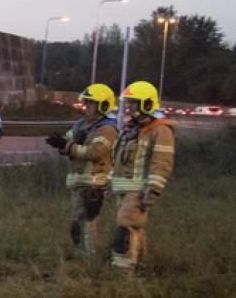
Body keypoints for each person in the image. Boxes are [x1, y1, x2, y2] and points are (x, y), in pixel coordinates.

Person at [108, 80, 175, 273]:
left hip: (138, 190)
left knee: (125, 228)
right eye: (128, 103)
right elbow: (119, 160)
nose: (129, 107)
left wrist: (153, 190)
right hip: (124, 188)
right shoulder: (132, 129)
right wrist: (110, 184)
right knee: (135, 228)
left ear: (146, 103)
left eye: (133, 103)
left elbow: (161, 162)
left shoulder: (160, 129)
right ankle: (144, 267)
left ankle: (123, 275)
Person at [46, 84, 118, 259]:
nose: (86, 107)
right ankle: (81, 257)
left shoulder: (107, 128)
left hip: (94, 183)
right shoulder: (80, 125)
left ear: (103, 105)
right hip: (79, 182)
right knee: (77, 223)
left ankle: (89, 260)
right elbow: (68, 143)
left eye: (91, 103)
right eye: (86, 102)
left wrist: (68, 147)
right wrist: (61, 144)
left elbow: (95, 152)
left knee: (86, 224)